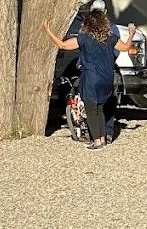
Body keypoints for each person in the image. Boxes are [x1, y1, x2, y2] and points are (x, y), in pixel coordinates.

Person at [43, 10, 136, 150]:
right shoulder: (110, 38)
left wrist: (48, 31)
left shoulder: (84, 38)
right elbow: (126, 47)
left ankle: (97, 142)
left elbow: (62, 45)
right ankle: (103, 138)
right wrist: (131, 35)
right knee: (100, 109)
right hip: (107, 78)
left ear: (87, 24)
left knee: (91, 110)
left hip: (91, 78)